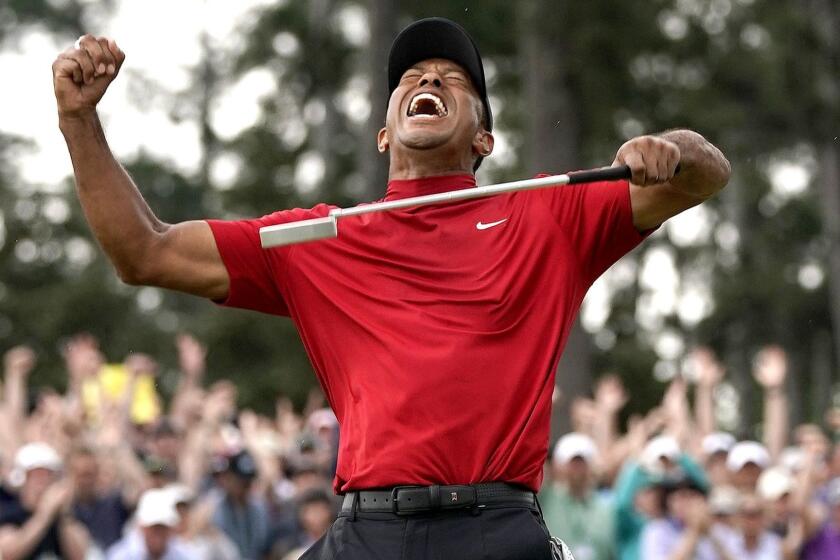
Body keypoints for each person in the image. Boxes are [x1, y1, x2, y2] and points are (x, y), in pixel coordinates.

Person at [51, 15, 730, 559]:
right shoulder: (317, 239)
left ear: (484, 139)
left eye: (452, 78)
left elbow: (706, 175)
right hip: (368, 532)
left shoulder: (550, 215)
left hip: (495, 529)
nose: (428, 78)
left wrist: (669, 150)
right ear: (384, 133)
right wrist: (79, 122)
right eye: (411, 75)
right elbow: (144, 251)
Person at [0, 442, 91, 559]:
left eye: (47, 477)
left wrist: (62, 515)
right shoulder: (10, 513)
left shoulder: (67, 516)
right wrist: (44, 515)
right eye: (36, 477)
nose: (41, 484)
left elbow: (80, 555)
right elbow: (7, 553)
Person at [540, 433, 615, 560]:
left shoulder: (606, 506)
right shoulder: (547, 498)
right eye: (572, 463)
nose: (577, 470)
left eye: (582, 463)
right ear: (559, 466)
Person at [106, 488, 192, 560]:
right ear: (142, 527)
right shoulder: (120, 556)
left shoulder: (184, 555)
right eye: (153, 527)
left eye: (163, 527)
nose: (158, 533)